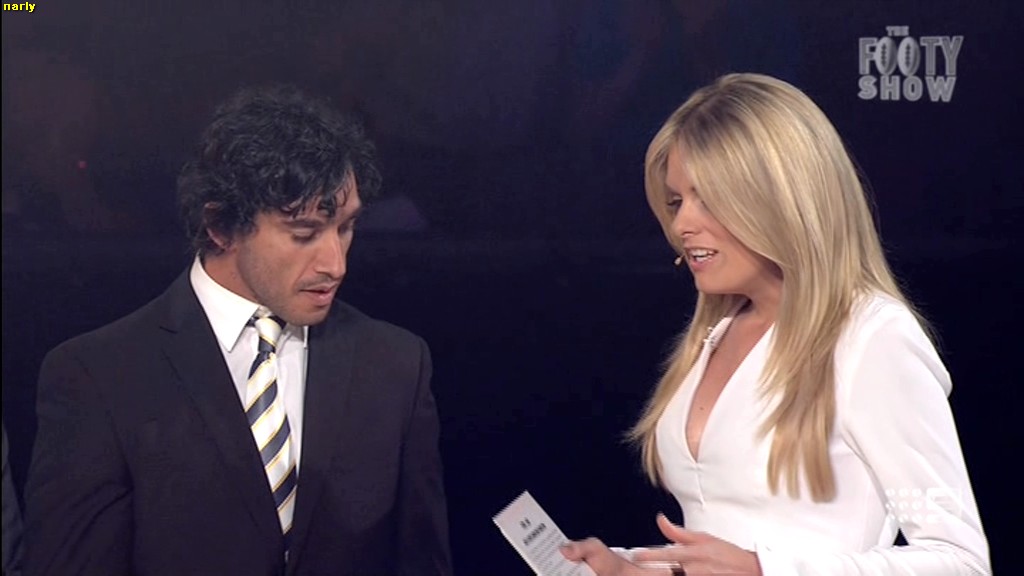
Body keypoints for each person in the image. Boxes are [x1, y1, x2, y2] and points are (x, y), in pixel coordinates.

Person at [560, 73, 991, 575]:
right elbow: (723, 550)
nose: (681, 225)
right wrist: (632, 569)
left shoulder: (872, 339)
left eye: (708, 198)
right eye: (677, 201)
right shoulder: (718, 330)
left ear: (781, 199)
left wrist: (767, 570)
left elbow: (958, 560)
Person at [23, 85, 453, 576]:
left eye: (346, 227)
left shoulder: (396, 366)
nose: (335, 263)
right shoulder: (99, 377)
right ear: (221, 226)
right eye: (304, 234)